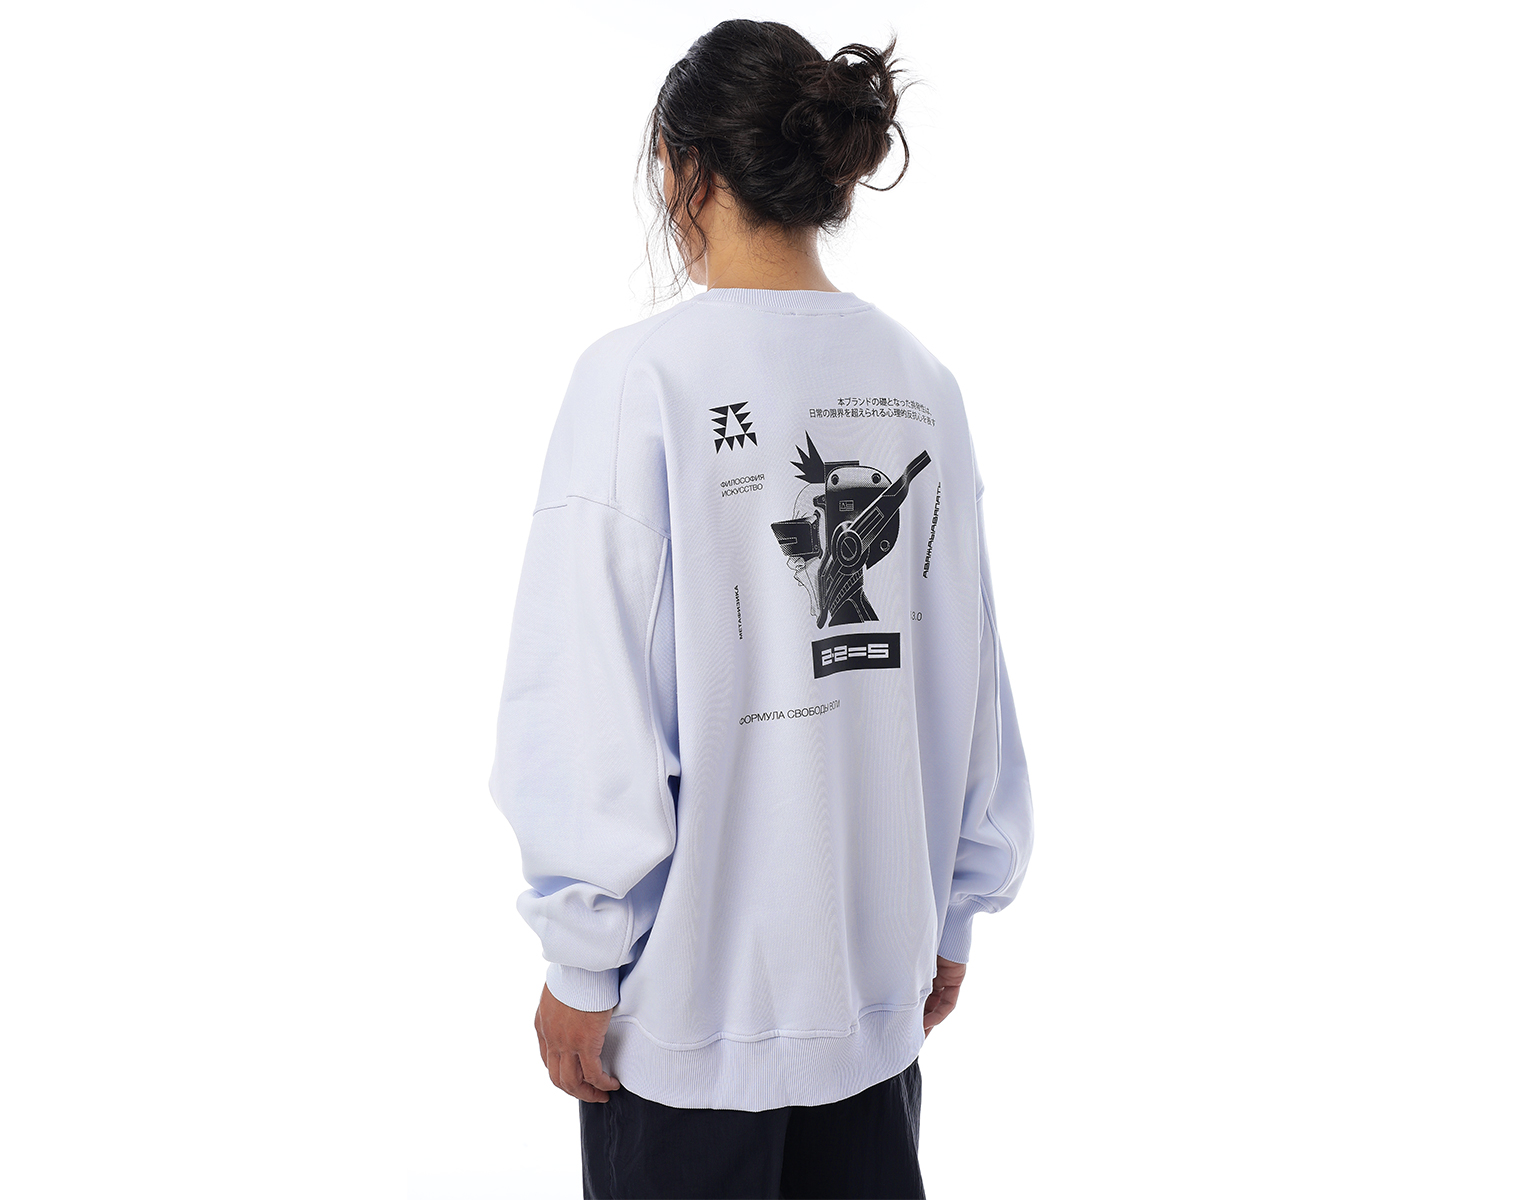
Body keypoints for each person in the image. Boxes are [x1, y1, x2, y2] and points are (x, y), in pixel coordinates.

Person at [489, 19, 1034, 1200]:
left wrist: (581, 958)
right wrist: (951, 913)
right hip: (876, 999)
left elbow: (587, 695)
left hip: (689, 1023)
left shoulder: (639, 380)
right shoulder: (920, 382)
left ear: (682, 167)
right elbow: (970, 674)